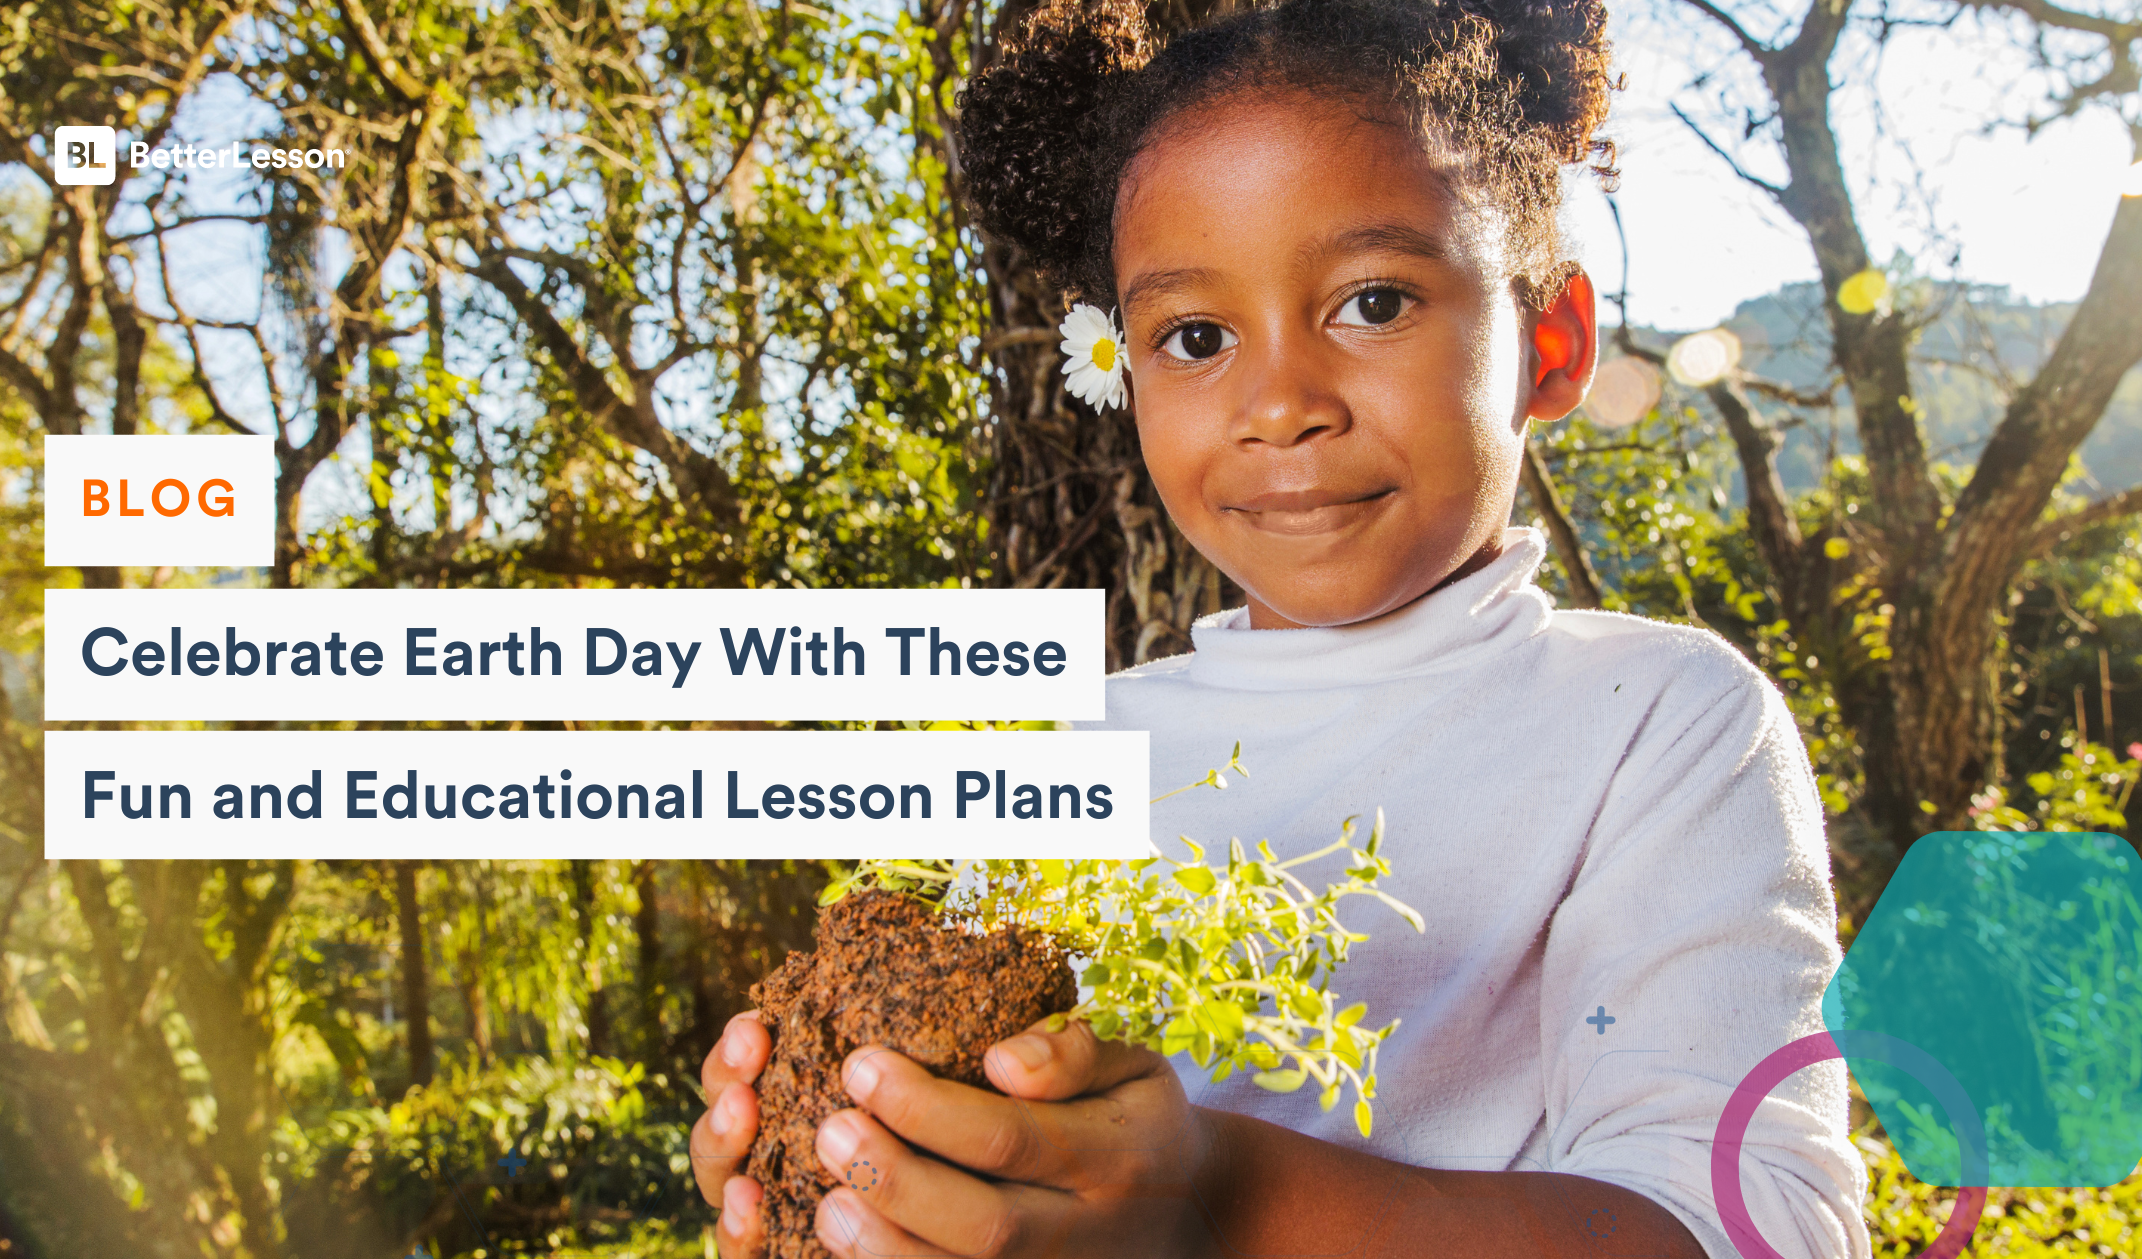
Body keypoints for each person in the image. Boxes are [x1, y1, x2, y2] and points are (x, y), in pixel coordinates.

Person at [691, 0, 1870, 1255]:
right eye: (1196, 337)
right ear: (1127, 373)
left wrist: (1219, 1197)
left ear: (1553, 341)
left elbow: (1761, 1224)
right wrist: (850, 1169)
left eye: (1372, 303)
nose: (1280, 404)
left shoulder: (1657, 723)